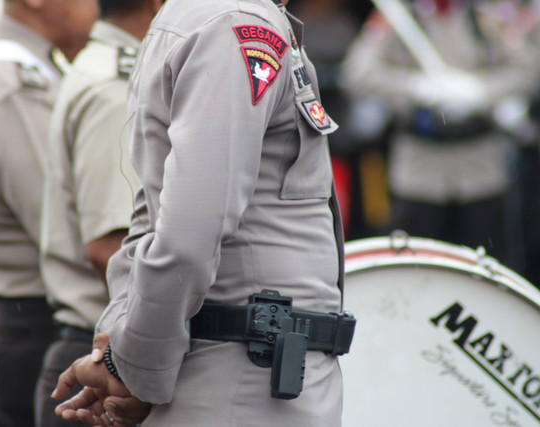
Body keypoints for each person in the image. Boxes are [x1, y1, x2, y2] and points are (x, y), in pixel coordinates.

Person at [53, 0, 355, 425]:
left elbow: (152, 222)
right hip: (245, 376)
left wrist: (126, 355)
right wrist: (132, 368)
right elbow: (186, 237)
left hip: (241, 368)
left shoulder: (216, 16)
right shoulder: (234, 21)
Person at [0, 0, 97, 425]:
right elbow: (67, 230)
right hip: (39, 320)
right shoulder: (9, 82)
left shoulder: (31, 67)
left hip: (35, 318)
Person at [34, 1, 160, 425]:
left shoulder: (108, 69)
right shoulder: (116, 87)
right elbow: (109, 248)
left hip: (96, 352)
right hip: (98, 361)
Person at [341, 0, 540, 265]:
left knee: (488, 265)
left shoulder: (488, 15)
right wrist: (415, 87)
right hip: (418, 169)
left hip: (481, 168)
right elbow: (358, 73)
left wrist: (481, 92)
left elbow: (528, 71)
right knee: (412, 263)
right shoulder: (400, 16)